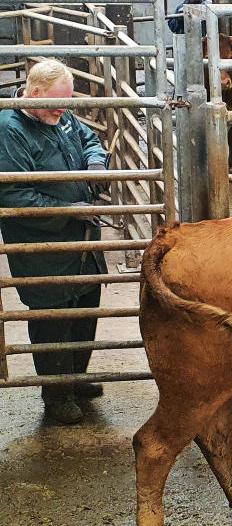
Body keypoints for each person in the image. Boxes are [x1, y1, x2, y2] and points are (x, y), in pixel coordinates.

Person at [0, 59, 109, 424]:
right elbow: (13, 195)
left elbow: (89, 139)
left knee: (85, 306)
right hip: (42, 245)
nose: (63, 110)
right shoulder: (9, 130)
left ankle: (75, 378)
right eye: (57, 103)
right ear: (34, 94)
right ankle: (57, 394)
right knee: (54, 315)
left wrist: (95, 162)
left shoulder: (58, 113)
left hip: (82, 237)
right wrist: (67, 210)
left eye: (67, 103)